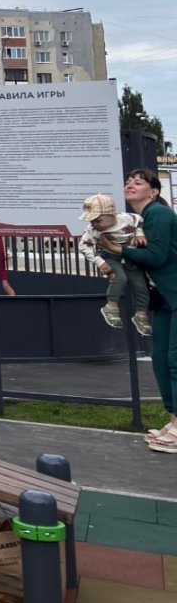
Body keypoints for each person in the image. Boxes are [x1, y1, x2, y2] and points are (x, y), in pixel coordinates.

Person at [100, 169, 177, 452]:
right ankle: (173, 419)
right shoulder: (137, 220)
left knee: (174, 360)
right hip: (165, 299)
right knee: (160, 359)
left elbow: (156, 257)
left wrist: (118, 251)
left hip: (174, 294)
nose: (131, 184)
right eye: (128, 181)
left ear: (153, 191)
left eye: (139, 182)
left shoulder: (158, 214)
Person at [78, 193, 149, 335]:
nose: (94, 224)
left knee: (140, 285)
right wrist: (100, 262)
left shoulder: (127, 219)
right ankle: (111, 307)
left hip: (130, 256)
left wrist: (139, 233)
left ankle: (141, 314)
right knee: (119, 278)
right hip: (110, 256)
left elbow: (139, 220)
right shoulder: (93, 231)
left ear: (111, 215)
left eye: (97, 220)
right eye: (91, 221)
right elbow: (83, 246)